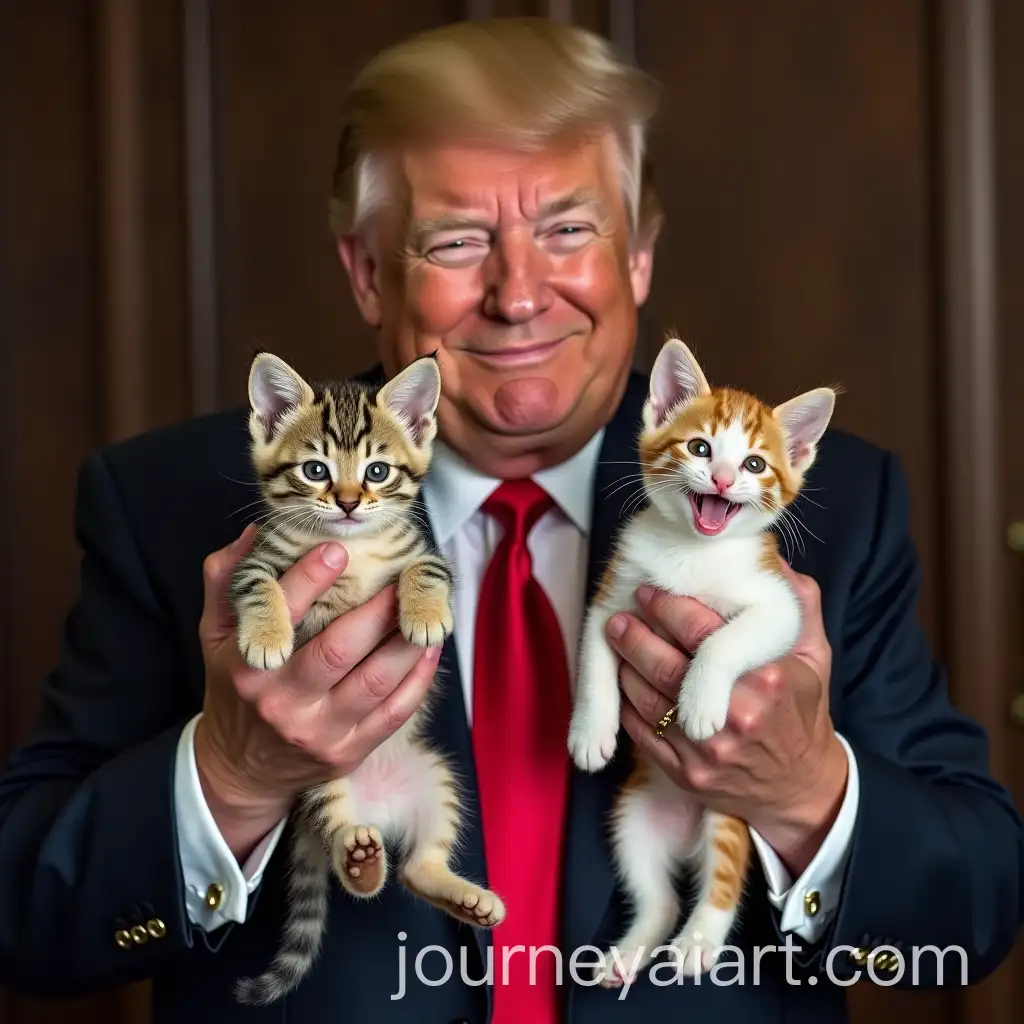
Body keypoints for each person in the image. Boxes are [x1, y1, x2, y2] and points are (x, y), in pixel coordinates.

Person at [1, 17, 1021, 1024]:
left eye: (569, 230)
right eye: (457, 240)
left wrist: (802, 793)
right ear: (368, 274)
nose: (518, 294)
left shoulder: (826, 509)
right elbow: (24, 915)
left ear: (638, 258)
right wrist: (229, 776)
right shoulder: (167, 504)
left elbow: (976, 904)